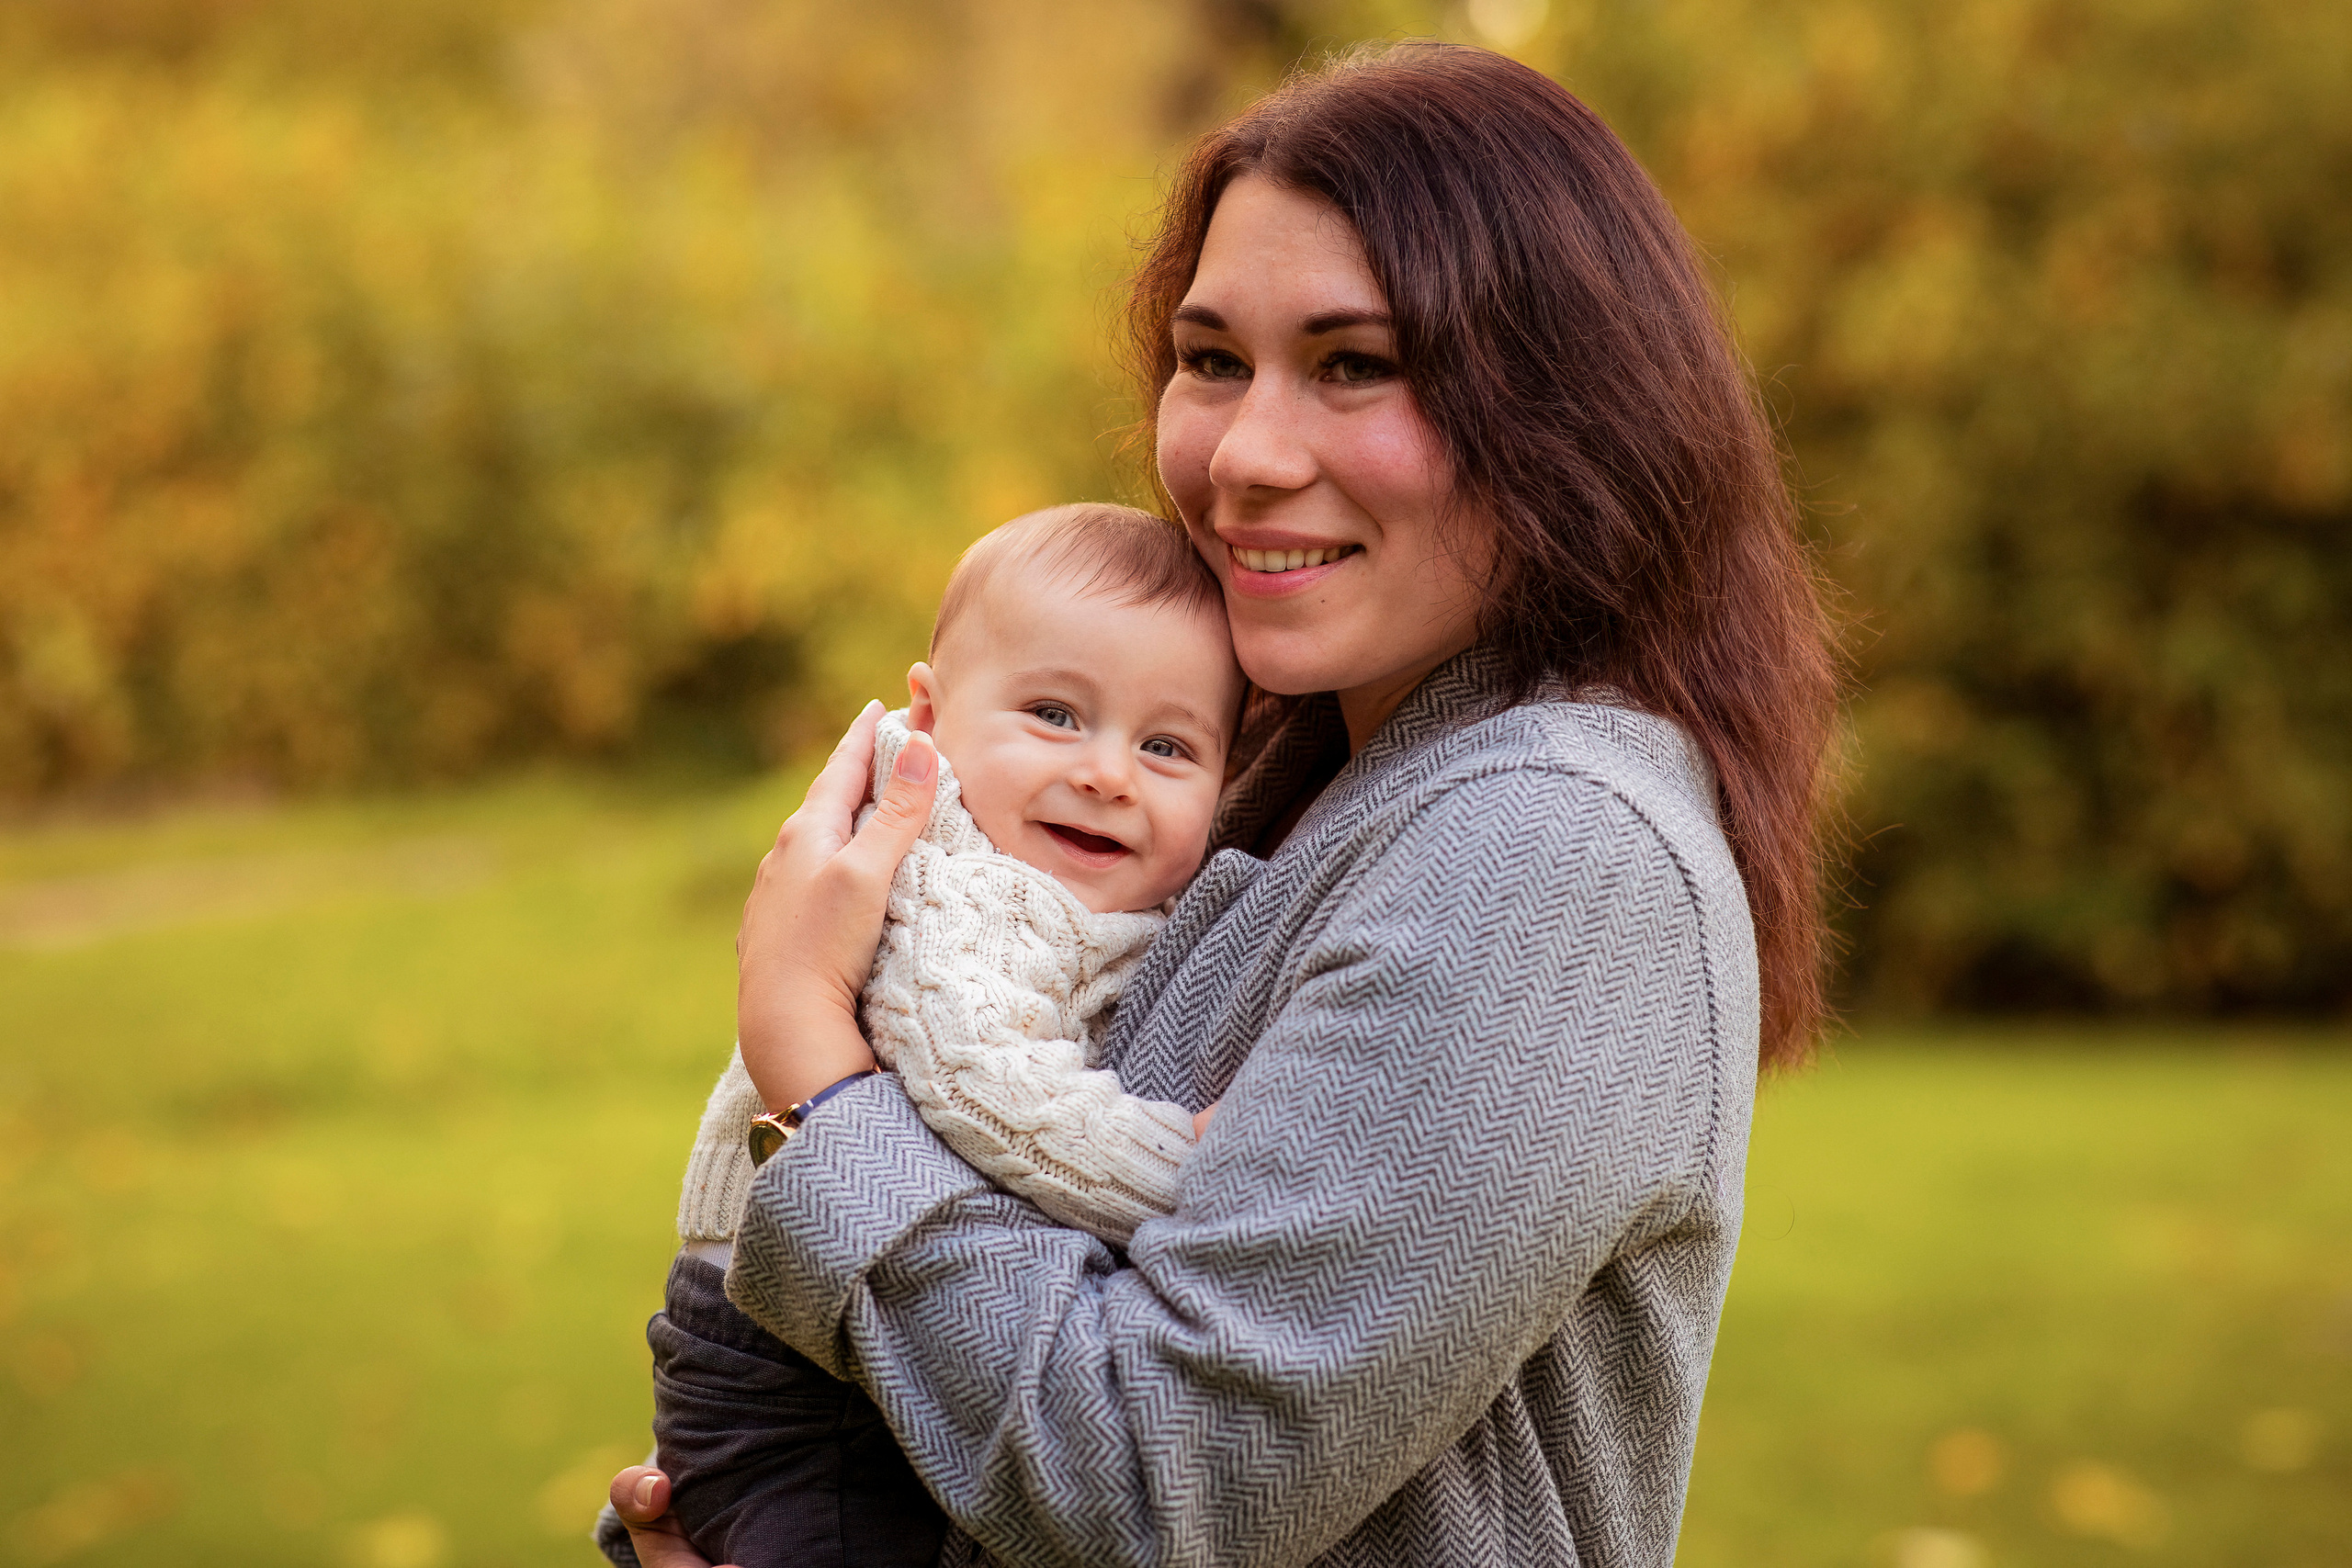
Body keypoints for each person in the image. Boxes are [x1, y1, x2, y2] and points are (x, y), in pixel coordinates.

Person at [615, 39, 1838, 1568]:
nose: (1247, 454)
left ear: (1561, 414)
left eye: (1354, 363)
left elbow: (1165, 1479)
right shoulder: (1288, 773)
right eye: (1211, 359)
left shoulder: (1555, 846)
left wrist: (813, 1059)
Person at [597, 504, 1248, 1568]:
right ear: (931, 717)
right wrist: (1186, 1167)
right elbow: (981, 1085)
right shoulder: (956, 885)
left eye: (1166, 745)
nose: (1107, 773)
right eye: (1054, 714)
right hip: (796, 1367)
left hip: (870, 1309)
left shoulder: (1079, 886)